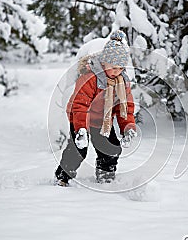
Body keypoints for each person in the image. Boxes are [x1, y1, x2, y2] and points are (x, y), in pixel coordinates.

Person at [55, 30, 137, 187]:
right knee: (79, 150)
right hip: (81, 117)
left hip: (102, 121)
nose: (116, 72)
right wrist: (81, 130)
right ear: (104, 62)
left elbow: (124, 107)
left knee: (111, 148)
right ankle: (62, 177)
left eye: (120, 68)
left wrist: (128, 127)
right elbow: (79, 105)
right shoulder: (91, 78)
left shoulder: (121, 82)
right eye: (113, 67)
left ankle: (105, 176)